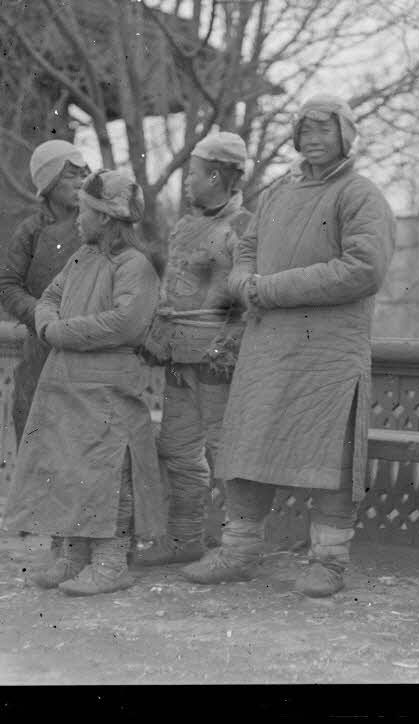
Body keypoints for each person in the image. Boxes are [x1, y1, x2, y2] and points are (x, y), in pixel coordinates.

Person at [181, 95, 396, 598]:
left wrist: (267, 289)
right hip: (268, 347)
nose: (313, 138)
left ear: (346, 135)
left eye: (325, 129)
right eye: (305, 129)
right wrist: (240, 281)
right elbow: (248, 248)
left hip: (328, 353)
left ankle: (329, 560)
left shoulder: (361, 196)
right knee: (250, 444)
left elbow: (364, 270)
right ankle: (238, 549)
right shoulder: (279, 193)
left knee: (331, 458)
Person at [2, 169, 165, 597]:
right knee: (69, 469)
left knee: (107, 475)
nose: (78, 216)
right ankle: (73, 557)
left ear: (107, 218)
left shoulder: (135, 266)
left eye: (86, 210)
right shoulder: (81, 257)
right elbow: (49, 298)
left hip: (108, 390)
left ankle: (111, 563)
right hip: (68, 385)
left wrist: (61, 332)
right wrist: (48, 323)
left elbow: (126, 324)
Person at [135, 132, 253, 566]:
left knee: (227, 452)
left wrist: (229, 345)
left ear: (217, 175)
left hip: (219, 362)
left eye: (195, 173)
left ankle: (242, 548)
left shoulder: (243, 228)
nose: (187, 182)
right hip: (178, 358)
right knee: (178, 448)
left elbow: (246, 300)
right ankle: (185, 539)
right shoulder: (184, 226)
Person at [0, 141, 91, 450]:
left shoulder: (96, 227)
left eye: (84, 174)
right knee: (35, 438)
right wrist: (41, 314)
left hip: (88, 346)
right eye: (71, 175)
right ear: (49, 183)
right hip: (41, 349)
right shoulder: (30, 231)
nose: (81, 182)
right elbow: (8, 286)